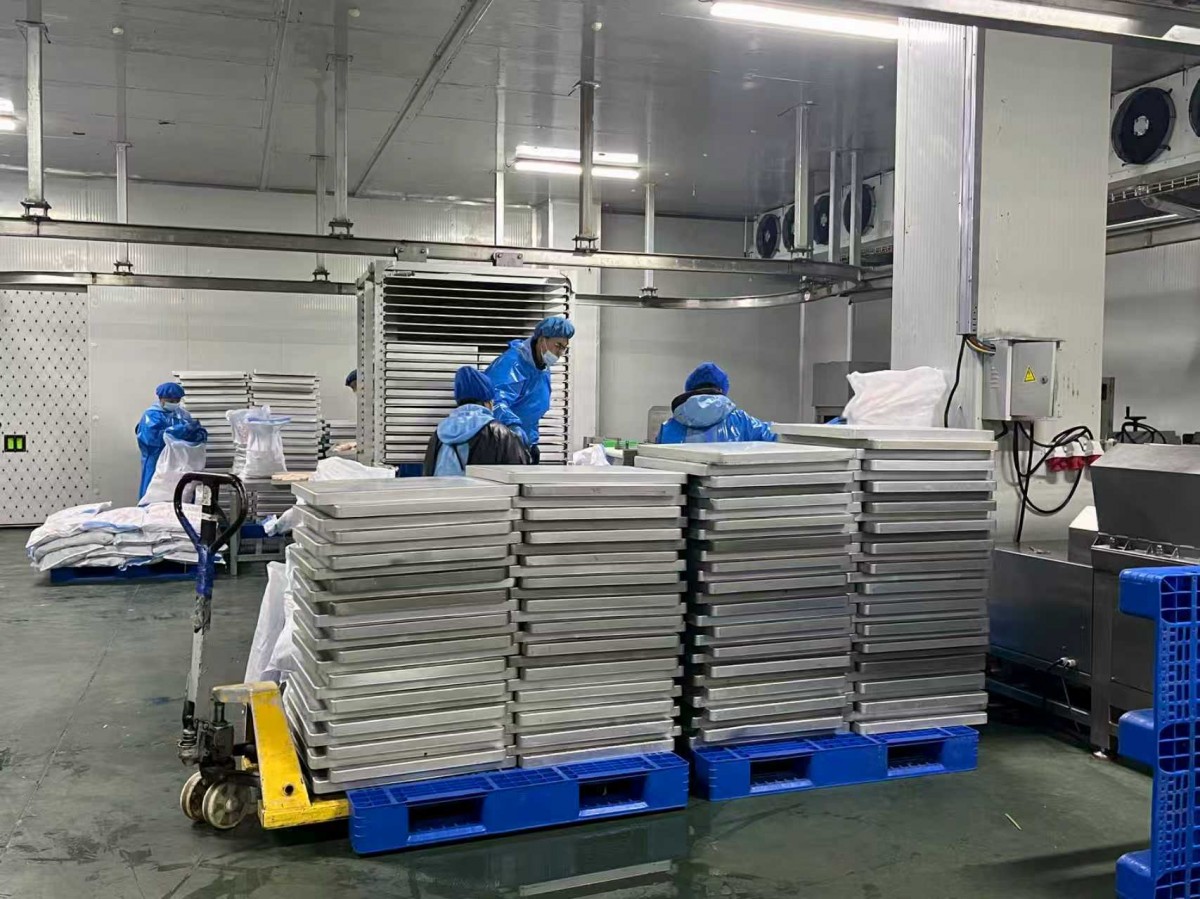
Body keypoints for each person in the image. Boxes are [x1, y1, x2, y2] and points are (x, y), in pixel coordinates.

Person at [485, 315, 574, 463]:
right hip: (500, 444)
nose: (560, 352)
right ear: (542, 340)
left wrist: (532, 442)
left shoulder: (542, 368)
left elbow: (531, 413)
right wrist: (513, 426)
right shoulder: (512, 363)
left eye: (564, 348)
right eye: (558, 345)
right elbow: (494, 401)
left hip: (521, 445)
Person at [423, 367, 529, 475]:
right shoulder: (501, 434)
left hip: (442, 487)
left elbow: (427, 475)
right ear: (488, 402)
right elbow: (518, 476)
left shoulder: (438, 435)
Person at [656, 362, 778, 444]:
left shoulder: (668, 428)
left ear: (690, 389)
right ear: (722, 389)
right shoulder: (742, 421)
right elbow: (779, 436)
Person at [135, 382, 208, 499]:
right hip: (157, 459)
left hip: (179, 460)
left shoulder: (182, 414)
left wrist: (197, 434)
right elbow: (150, 440)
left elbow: (191, 434)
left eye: (177, 400)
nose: (174, 403)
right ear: (161, 399)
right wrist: (176, 432)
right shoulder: (152, 415)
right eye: (170, 400)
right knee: (155, 491)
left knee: (181, 491)